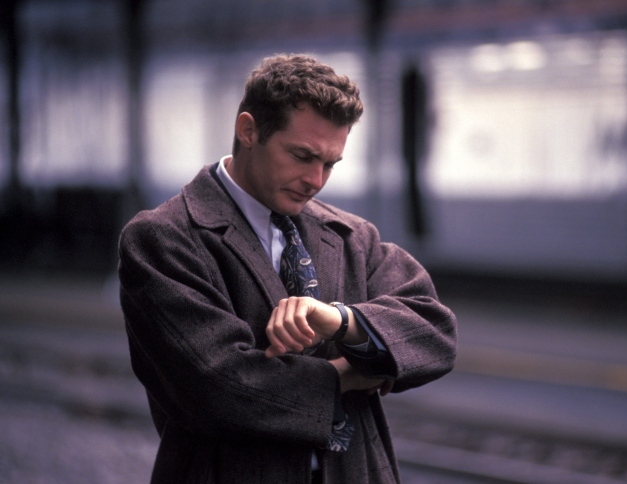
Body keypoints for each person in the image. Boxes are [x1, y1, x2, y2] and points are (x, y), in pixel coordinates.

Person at [118, 53, 457, 484]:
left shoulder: (352, 236)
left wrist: (340, 320)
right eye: (302, 156)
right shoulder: (163, 238)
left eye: (330, 164)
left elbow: (435, 332)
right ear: (249, 131)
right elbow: (218, 389)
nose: (316, 180)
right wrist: (346, 374)